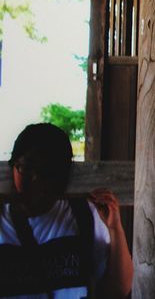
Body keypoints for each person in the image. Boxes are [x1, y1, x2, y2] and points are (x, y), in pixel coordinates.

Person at [0, 123, 133, 298]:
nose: (36, 179)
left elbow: (117, 291)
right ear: (13, 167)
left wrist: (115, 229)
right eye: (26, 167)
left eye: (47, 171)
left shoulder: (83, 214)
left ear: (62, 175)